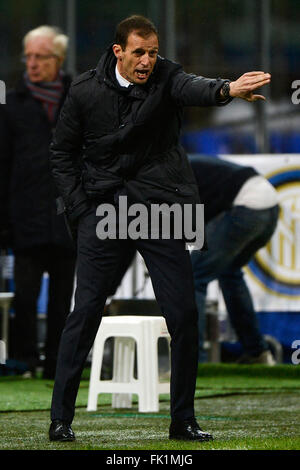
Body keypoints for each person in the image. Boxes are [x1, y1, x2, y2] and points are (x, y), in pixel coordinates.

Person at [48, 15, 271, 442]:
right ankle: (60, 419)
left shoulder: (167, 75)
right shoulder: (84, 90)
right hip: (104, 209)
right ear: (118, 51)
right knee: (86, 310)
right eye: (139, 53)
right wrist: (81, 210)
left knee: (184, 314)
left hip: (159, 211)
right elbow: (61, 153)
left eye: (152, 52)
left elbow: (194, 87)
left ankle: (182, 421)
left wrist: (226, 89)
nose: (148, 60)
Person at [0, 26, 76, 379]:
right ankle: (25, 359)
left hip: (68, 215)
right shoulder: (10, 103)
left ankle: (57, 363)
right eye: (27, 56)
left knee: (64, 298)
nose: (31, 63)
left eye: (40, 56)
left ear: (57, 60)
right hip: (25, 215)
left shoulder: (79, 96)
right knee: (25, 297)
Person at [190, 156, 279, 364]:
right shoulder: (184, 164)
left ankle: (194, 364)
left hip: (246, 206)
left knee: (192, 277)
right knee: (229, 272)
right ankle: (257, 353)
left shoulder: (166, 176)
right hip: (270, 206)